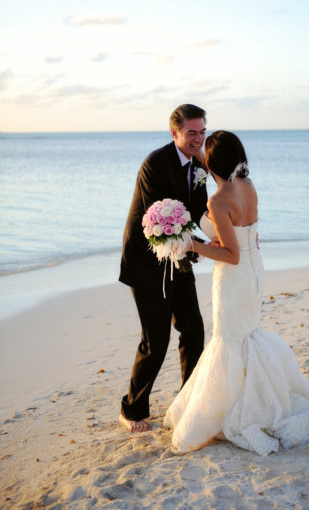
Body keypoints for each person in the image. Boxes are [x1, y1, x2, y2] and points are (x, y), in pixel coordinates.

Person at [164, 131, 309, 455]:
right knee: (247, 335)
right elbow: (243, 240)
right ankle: (256, 397)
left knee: (229, 339)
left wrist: (194, 245)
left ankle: (236, 409)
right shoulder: (248, 186)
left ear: (212, 161)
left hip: (234, 277)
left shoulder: (218, 200)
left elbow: (231, 254)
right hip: (256, 271)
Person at [119, 104, 208, 433]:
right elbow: (165, 221)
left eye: (202, 131)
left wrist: (231, 235)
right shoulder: (155, 164)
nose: (199, 139)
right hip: (146, 263)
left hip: (180, 259)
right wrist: (207, 247)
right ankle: (132, 410)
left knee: (194, 330)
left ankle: (189, 401)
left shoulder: (199, 164)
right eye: (191, 133)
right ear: (175, 133)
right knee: (156, 339)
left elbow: (198, 210)